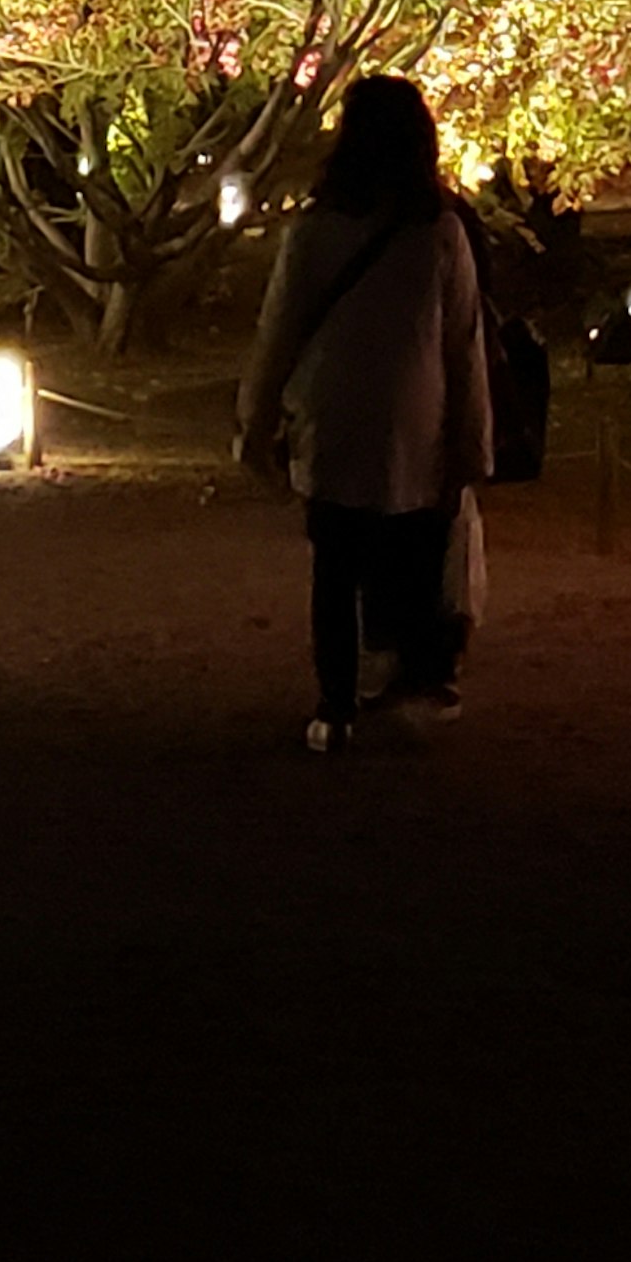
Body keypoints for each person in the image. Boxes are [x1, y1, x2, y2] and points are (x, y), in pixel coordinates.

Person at [236, 74, 493, 754]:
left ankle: (335, 705)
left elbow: (279, 332)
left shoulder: (315, 229)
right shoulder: (438, 230)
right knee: (409, 560)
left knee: (335, 565)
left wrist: (253, 419)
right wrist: (472, 444)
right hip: (416, 420)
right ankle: (406, 682)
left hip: (332, 417)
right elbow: (464, 344)